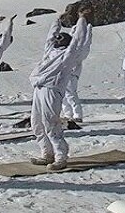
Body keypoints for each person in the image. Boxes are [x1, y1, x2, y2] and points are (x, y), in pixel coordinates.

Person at [28, 11, 91, 169]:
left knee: (50, 123)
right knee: (36, 123)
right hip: (38, 88)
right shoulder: (50, 51)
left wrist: (82, 19)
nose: (57, 39)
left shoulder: (68, 56)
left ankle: (61, 157)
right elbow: (50, 37)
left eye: (60, 38)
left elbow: (77, 40)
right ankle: (46, 153)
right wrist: (58, 20)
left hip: (52, 90)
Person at [62, 17, 93, 123]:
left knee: (70, 94)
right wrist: (73, 30)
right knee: (63, 95)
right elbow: (72, 39)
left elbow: (86, 42)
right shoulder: (67, 49)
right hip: (64, 73)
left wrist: (88, 31)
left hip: (72, 74)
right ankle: (67, 113)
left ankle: (77, 114)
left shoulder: (78, 51)